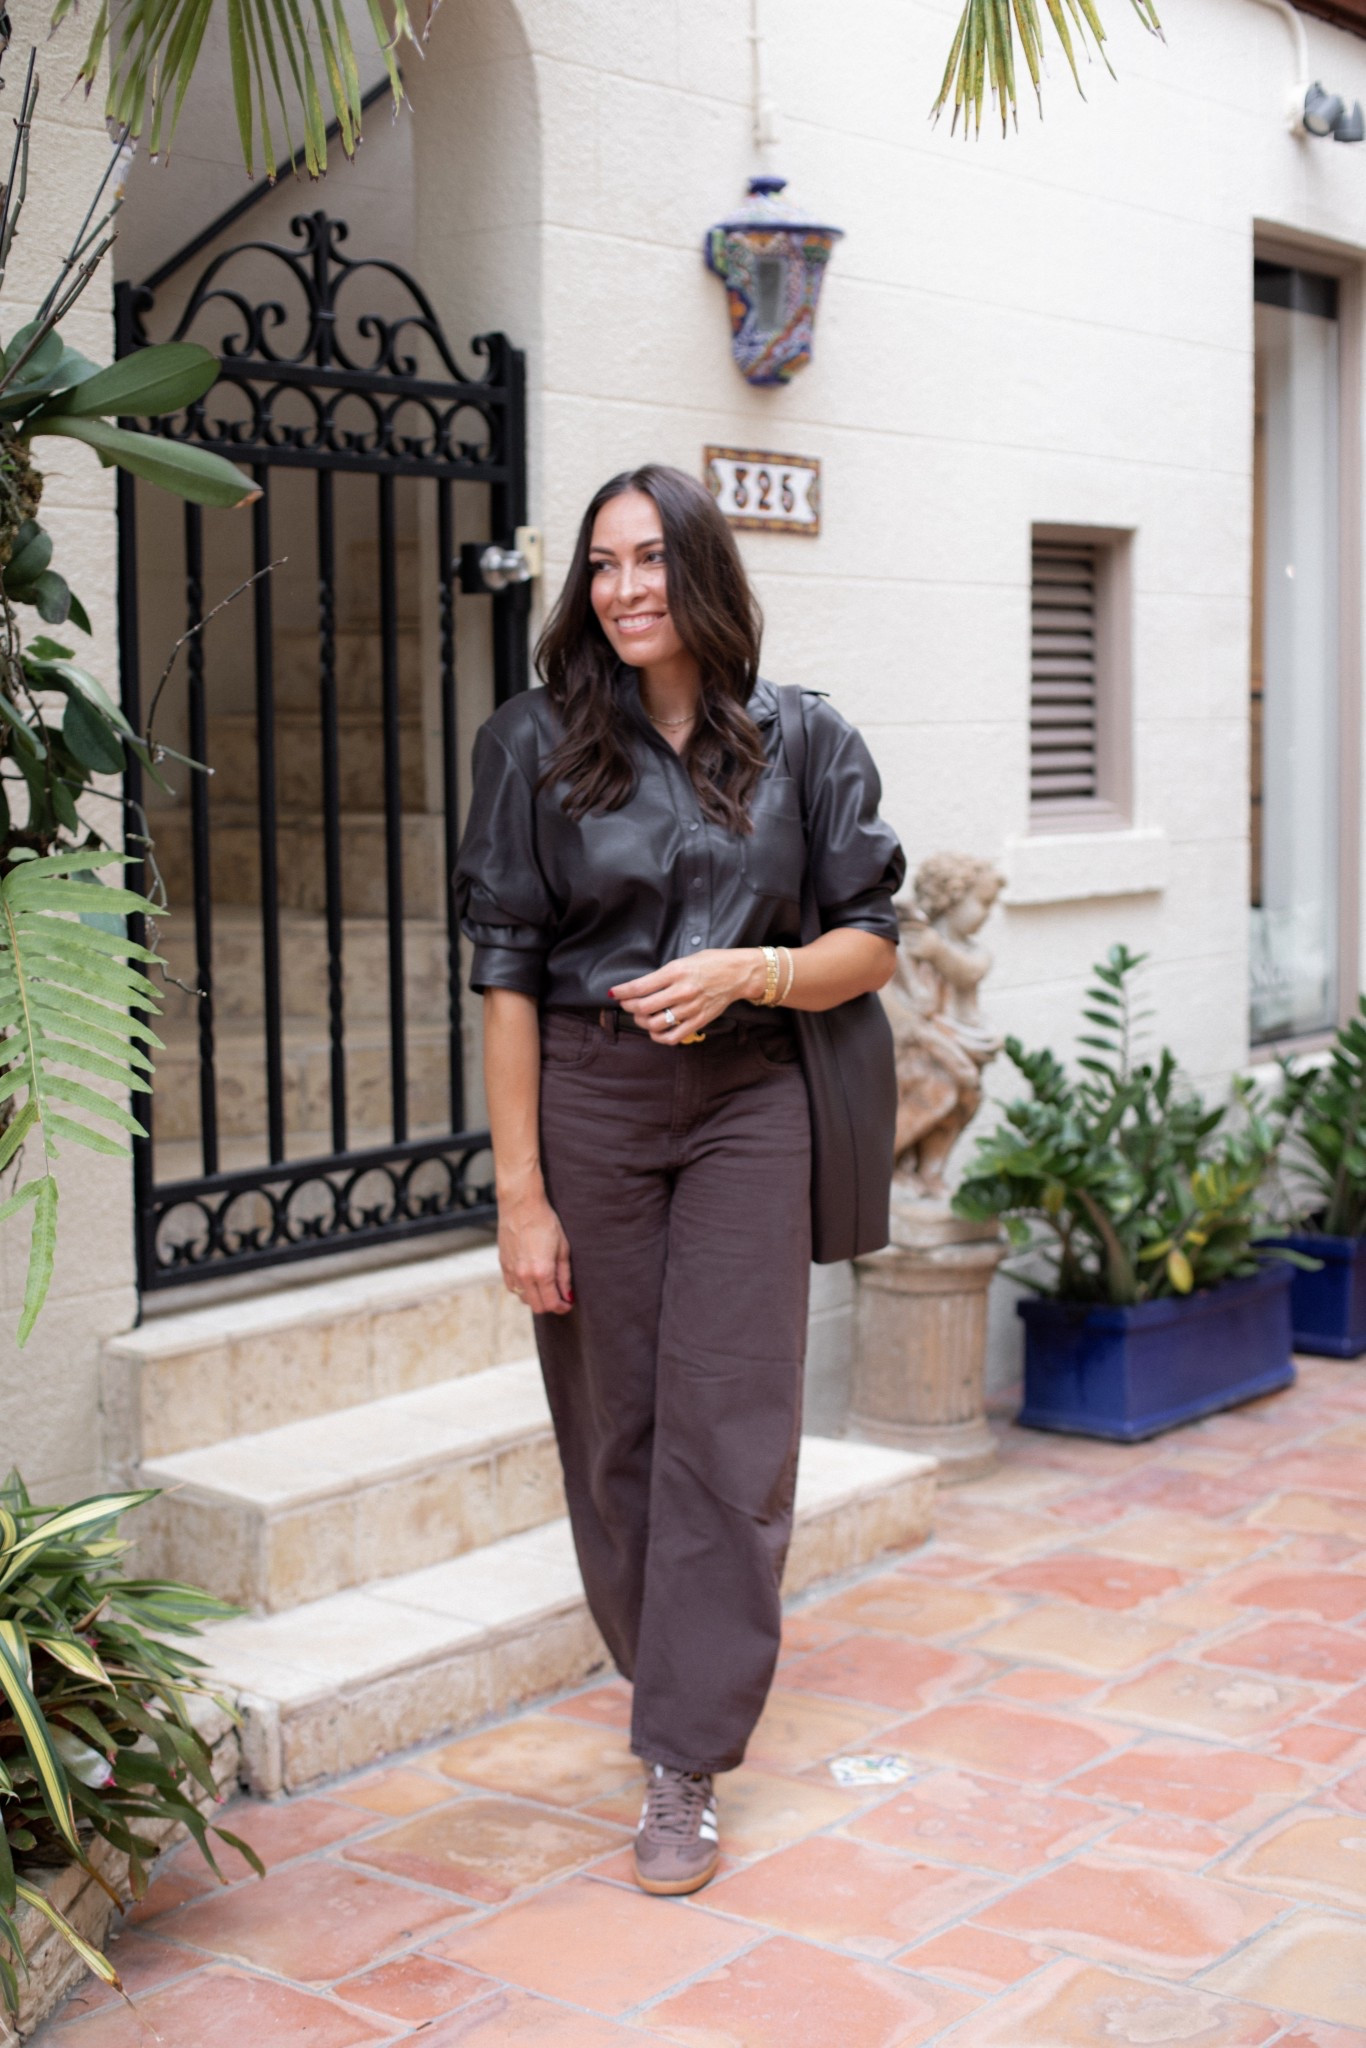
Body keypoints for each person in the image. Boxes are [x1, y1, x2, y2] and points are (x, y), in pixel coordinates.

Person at [455, 463, 904, 1896]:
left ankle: (681, 1761)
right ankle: (674, 1686)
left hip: (747, 1105)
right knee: (617, 1428)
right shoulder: (529, 743)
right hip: (587, 1105)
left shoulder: (806, 740)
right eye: (600, 565)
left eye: (650, 560)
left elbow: (871, 938)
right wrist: (519, 1194)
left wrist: (749, 970)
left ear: (700, 573)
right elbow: (506, 972)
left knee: (733, 1420)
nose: (624, 589)